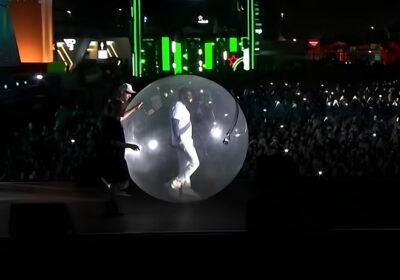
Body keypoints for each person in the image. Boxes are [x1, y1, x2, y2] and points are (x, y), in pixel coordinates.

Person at [101, 83, 143, 217]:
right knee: (122, 181)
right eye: (128, 93)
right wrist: (129, 145)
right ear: (121, 93)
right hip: (114, 155)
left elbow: (122, 117)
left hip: (116, 155)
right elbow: (112, 141)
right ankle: (109, 199)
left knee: (117, 182)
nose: (130, 96)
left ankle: (110, 203)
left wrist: (135, 109)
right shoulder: (112, 121)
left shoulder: (114, 119)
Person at [170, 87, 200, 194]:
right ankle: (177, 182)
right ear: (182, 96)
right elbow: (175, 122)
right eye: (187, 95)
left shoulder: (182, 107)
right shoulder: (178, 106)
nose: (190, 97)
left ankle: (186, 190)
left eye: (190, 94)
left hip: (183, 140)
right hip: (183, 141)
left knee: (184, 166)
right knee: (195, 162)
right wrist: (179, 138)